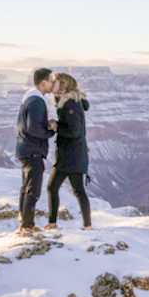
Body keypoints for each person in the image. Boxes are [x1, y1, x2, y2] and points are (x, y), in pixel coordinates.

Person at [46, 72, 92, 230]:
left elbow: (74, 131)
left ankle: (87, 226)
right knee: (54, 188)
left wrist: (56, 126)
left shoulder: (70, 103)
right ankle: (53, 223)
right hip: (68, 153)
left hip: (72, 154)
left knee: (76, 190)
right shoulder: (65, 101)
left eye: (55, 81)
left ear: (64, 84)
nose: (52, 84)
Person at [16, 68, 56, 233]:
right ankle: (27, 226)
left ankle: (24, 223)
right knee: (33, 191)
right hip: (33, 151)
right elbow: (34, 129)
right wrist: (51, 131)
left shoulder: (29, 98)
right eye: (51, 81)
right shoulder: (36, 101)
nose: (53, 84)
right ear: (44, 82)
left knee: (26, 188)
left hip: (25, 149)